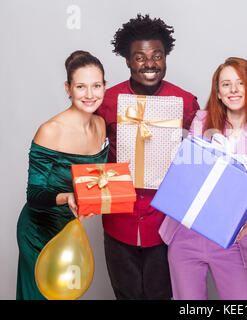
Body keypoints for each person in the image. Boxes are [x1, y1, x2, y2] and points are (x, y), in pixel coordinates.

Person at [96, 14, 200, 300]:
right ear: (128, 61)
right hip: (119, 219)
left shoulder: (185, 102)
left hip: (165, 221)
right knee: (126, 295)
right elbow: (89, 150)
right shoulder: (108, 100)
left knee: (161, 295)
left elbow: (198, 158)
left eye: (157, 55)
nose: (150, 63)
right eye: (139, 57)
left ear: (166, 57)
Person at [158, 57, 247, 299]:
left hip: (233, 240)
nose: (233, 90)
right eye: (226, 84)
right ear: (218, 93)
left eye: (240, 83)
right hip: (186, 234)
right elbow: (190, 174)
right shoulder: (202, 120)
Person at [16, 50, 108, 299]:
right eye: (81, 86)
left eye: (96, 85)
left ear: (104, 86)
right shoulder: (50, 131)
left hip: (69, 229)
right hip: (39, 231)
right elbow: (34, 195)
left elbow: (93, 180)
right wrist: (68, 197)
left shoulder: (100, 125)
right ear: (68, 88)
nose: (90, 94)